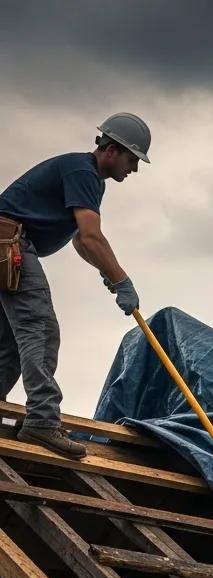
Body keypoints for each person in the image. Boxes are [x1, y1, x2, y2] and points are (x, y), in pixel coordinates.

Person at [0, 113, 151, 458]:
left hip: (6, 244)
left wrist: (105, 269)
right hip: (11, 244)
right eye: (132, 159)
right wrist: (121, 279)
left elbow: (81, 242)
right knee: (40, 330)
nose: (134, 169)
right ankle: (42, 421)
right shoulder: (82, 172)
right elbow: (91, 236)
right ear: (111, 150)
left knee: (9, 339)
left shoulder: (86, 177)